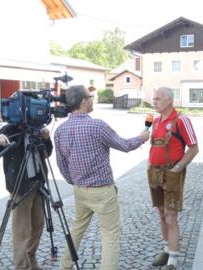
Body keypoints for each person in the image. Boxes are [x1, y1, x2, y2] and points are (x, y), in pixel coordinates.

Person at [54, 85, 150, 270]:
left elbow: (61, 165)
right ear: (83, 101)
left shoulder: (60, 131)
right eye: (90, 97)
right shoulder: (97, 126)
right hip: (103, 191)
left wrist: (75, 181)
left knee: (77, 229)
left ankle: (65, 266)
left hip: (79, 191)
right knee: (110, 235)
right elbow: (124, 145)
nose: (92, 99)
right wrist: (142, 138)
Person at [0, 118, 53, 270]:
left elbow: (47, 153)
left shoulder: (38, 128)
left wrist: (46, 139)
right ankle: (21, 266)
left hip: (38, 183)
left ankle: (30, 256)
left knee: (38, 225)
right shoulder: (9, 130)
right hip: (20, 187)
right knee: (21, 230)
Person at [147, 87, 199, 270]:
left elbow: (194, 148)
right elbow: (153, 146)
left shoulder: (181, 120)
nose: (154, 101)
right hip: (154, 172)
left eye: (158, 98)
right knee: (161, 213)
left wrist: (178, 168)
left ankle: (173, 260)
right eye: (153, 98)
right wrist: (149, 164)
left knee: (171, 216)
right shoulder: (155, 121)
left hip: (171, 173)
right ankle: (167, 249)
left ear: (169, 100)